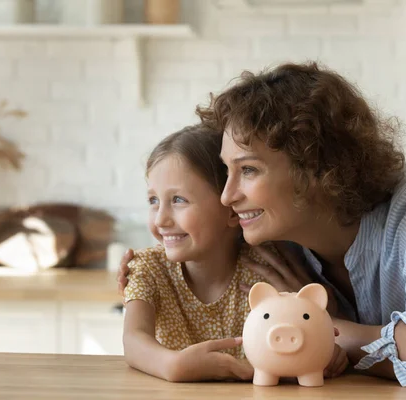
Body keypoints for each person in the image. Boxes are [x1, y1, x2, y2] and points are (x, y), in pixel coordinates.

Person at [118, 62, 406, 388]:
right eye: (226, 172)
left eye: (248, 171)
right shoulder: (273, 237)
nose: (228, 195)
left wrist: (329, 332)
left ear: (316, 166)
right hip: (387, 386)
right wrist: (155, 266)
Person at [121, 124, 349, 382]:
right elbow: (134, 341)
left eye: (178, 200)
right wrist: (173, 366)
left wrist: (323, 352)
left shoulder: (269, 267)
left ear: (231, 209)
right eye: (153, 200)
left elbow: (305, 345)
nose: (161, 219)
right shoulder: (148, 267)